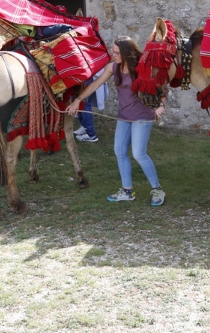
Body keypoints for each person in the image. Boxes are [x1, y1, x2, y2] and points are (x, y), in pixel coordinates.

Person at [67, 36, 166, 206]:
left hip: (142, 115)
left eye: (117, 53)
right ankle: (127, 191)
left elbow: (162, 86)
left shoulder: (142, 68)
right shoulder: (113, 67)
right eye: (113, 52)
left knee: (138, 154)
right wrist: (78, 100)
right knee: (119, 151)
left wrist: (161, 106)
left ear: (127, 53)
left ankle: (157, 190)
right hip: (124, 116)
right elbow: (94, 84)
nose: (114, 55)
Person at [73, 69, 108, 143]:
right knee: (77, 99)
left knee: (84, 102)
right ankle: (84, 126)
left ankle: (91, 134)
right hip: (80, 72)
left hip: (89, 72)